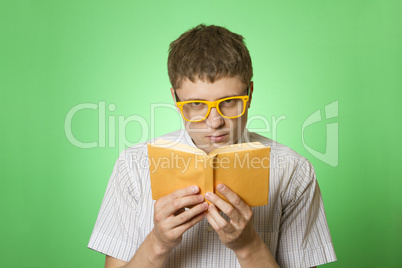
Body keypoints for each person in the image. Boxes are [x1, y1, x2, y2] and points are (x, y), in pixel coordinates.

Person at [88, 24, 337, 268]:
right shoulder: (133, 166)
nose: (215, 122)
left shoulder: (293, 171)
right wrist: (158, 242)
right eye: (196, 104)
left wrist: (248, 246)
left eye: (229, 102)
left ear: (249, 93)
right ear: (175, 98)